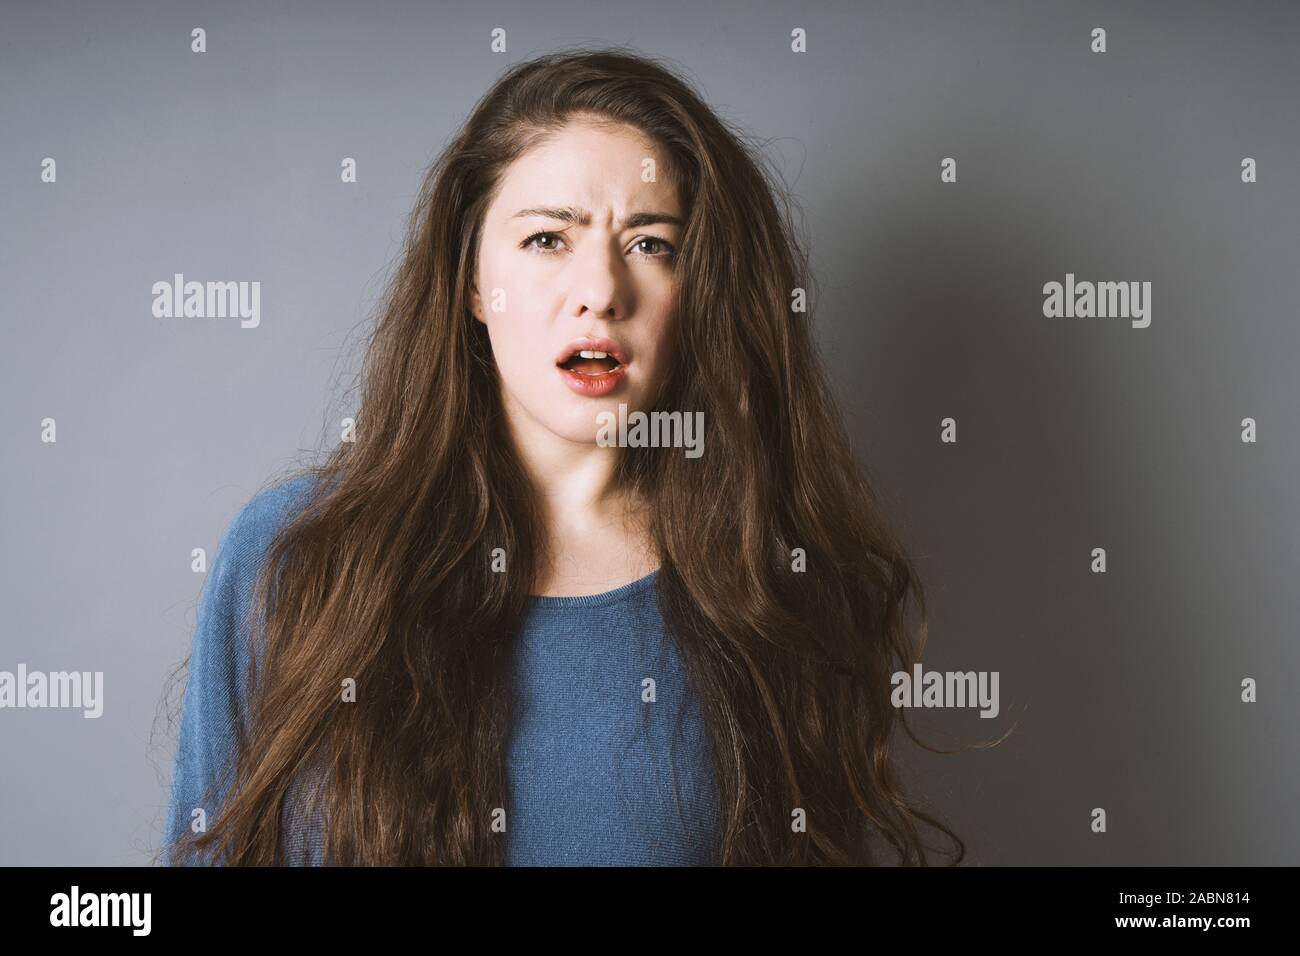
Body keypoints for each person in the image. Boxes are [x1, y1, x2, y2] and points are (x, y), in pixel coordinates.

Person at [162, 47, 963, 866]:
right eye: (548, 239)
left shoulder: (766, 584)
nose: (602, 290)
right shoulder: (295, 558)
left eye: (653, 244)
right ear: (473, 281)